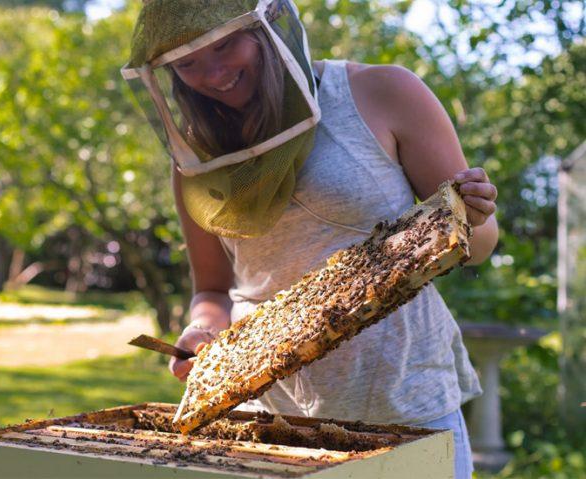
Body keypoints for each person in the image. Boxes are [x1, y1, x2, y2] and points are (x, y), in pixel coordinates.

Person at [123, 2, 498, 477]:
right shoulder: (194, 157)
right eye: (188, 62)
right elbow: (213, 289)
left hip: (405, 402)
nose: (213, 73)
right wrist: (203, 328)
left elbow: (478, 245)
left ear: (266, 27)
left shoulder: (382, 92)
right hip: (266, 420)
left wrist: (475, 214)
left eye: (224, 45)